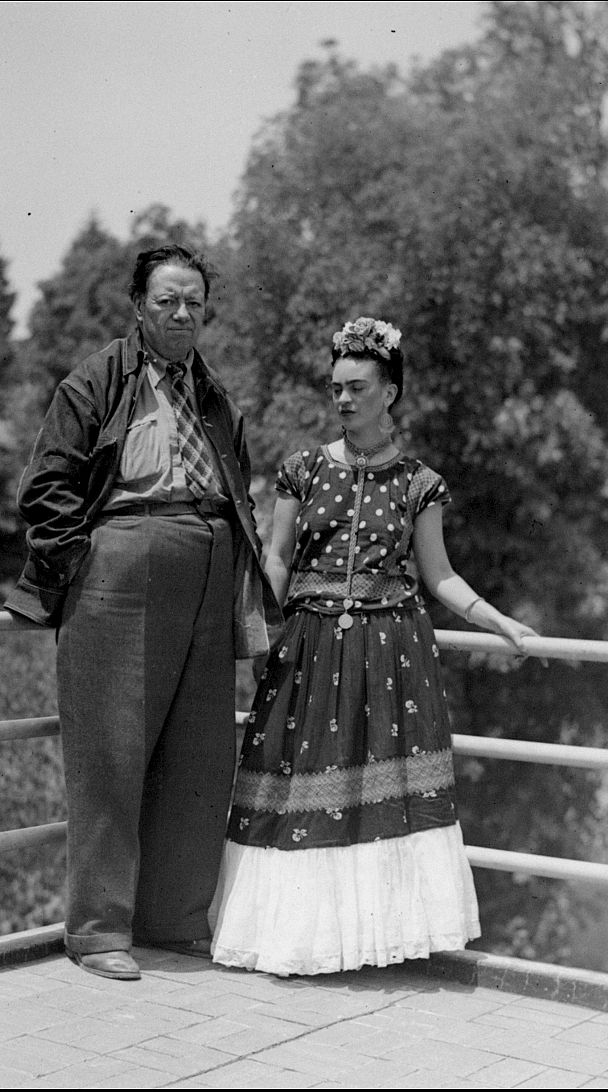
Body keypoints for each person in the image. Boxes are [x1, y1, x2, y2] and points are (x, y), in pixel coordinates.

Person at [210, 316, 537, 977]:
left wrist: (501, 622)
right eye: (337, 387)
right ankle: (298, 943)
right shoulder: (302, 470)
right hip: (308, 649)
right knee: (299, 790)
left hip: (392, 654)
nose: (343, 399)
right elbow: (274, 560)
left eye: (358, 386)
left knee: (376, 796)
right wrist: (242, 627)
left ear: (389, 392)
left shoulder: (419, 483)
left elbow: (439, 575)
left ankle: (370, 943)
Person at [5, 244, 280, 981]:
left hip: (210, 564)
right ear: (138, 307)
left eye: (194, 301)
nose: (183, 313)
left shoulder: (215, 396)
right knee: (112, 751)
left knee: (199, 755)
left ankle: (174, 921)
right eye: (167, 301)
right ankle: (98, 932)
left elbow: (242, 490)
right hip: (122, 563)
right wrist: (87, 562)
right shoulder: (96, 379)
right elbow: (45, 487)